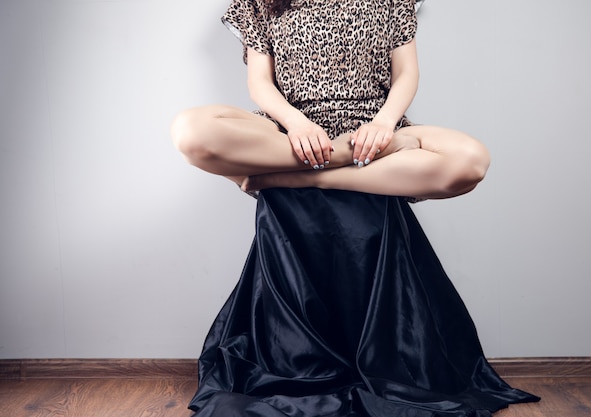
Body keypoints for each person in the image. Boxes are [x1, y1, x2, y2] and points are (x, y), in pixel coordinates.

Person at [171, 1, 540, 416]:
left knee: (471, 160)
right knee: (191, 131)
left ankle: (304, 175)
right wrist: (296, 123)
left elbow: (406, 75)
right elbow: (261, 84)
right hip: (290, 136)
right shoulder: (259, 3)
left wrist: (385, 124)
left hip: (373, 136)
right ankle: (319, 163)